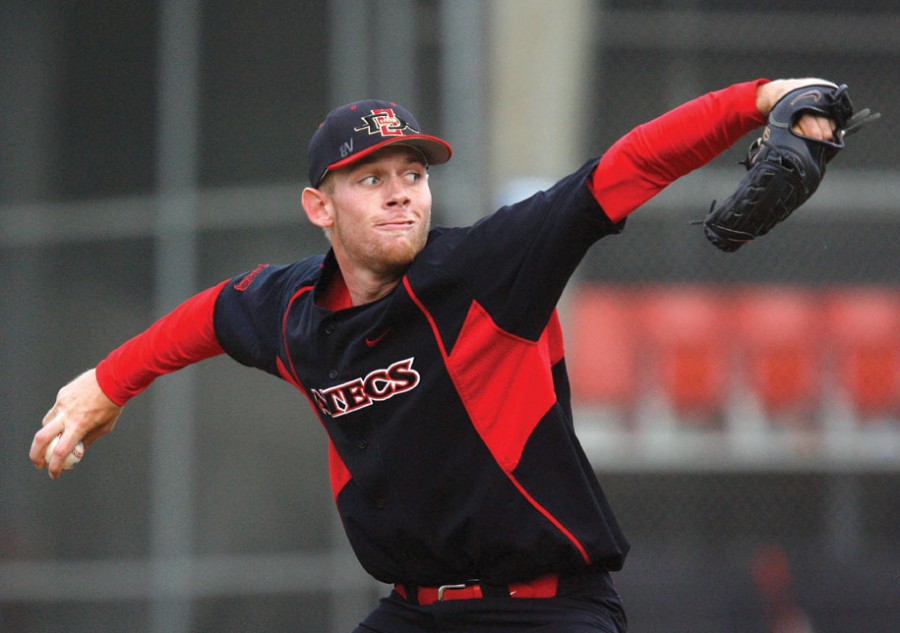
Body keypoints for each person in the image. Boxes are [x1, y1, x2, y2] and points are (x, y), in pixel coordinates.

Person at [31, 78, 840, 632]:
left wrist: (764, 99)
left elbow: (625, 166)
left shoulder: (486, 270)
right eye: (369, 177)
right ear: (319, 206)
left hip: (549, 610)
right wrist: (108, 382)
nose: (399, 190)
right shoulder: (292, 313)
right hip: (416, 611)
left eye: (411, 172)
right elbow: (209, 315)